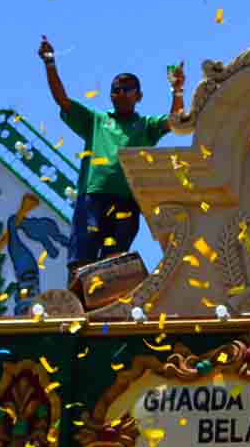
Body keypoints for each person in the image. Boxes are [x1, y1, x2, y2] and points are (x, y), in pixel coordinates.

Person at [38, 36, 192, 285]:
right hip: (94, 196)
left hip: (128, 199)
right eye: (115, 89)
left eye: (127, 88)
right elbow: (63, 100)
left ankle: (105, 305)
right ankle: (76, 300)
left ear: (139, 96)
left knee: (115, 262)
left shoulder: (145, 126)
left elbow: (175, 120)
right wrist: (50, 63)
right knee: (83, 255)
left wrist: (177, 89)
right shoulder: (97, 120)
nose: (120, 92)